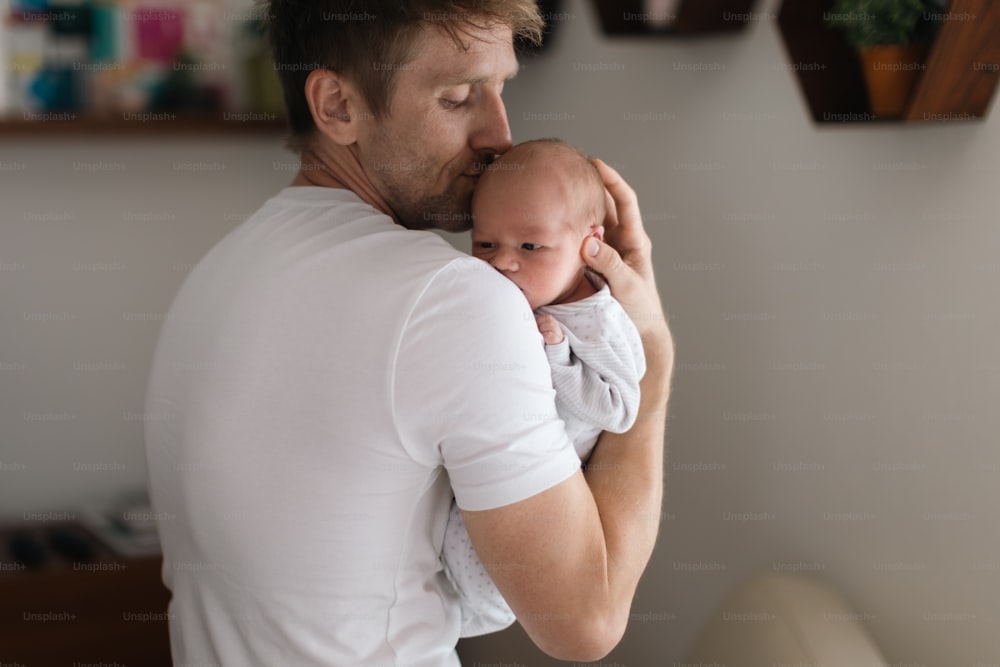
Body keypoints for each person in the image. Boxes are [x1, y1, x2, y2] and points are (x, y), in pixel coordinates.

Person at [143, 2, 674, 666]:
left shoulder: (217, 273)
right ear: (337, 105)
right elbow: (584, 621)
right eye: (459, 98)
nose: (500, 135)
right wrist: (650, 366)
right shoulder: (457, 300)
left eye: (501, 89)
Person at [443, 138, 647, 637]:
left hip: (546, 497)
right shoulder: (522, 296)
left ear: (589, 243)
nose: (503, 263)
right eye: (485, 244)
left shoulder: (598, 317)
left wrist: (559, 358)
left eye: (530, 247)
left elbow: (619, 409)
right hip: (485, 484)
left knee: (483, 586)